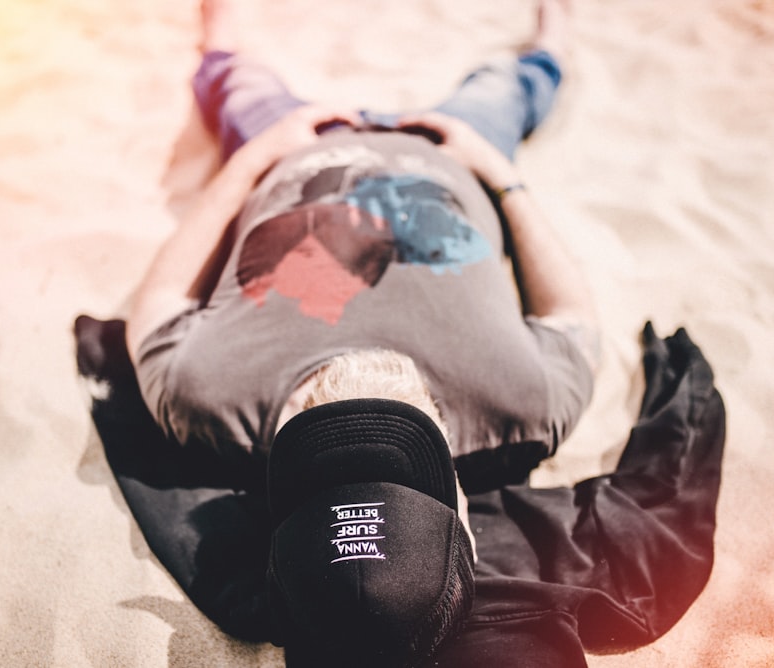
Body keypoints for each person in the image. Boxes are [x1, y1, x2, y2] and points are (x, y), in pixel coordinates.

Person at [123, 0, 600, 664]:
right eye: (405, 455)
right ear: (463, 517)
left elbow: (163, 295)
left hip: (295, 149)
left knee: (239, 84)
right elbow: (572, 310)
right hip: (451, 150)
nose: (361, 413)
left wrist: (254, 159)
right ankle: (554, 33)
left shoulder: (205, 396)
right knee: (506, 88)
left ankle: (221, 34)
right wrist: (500, 175)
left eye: (325, 454)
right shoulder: (523, 406)